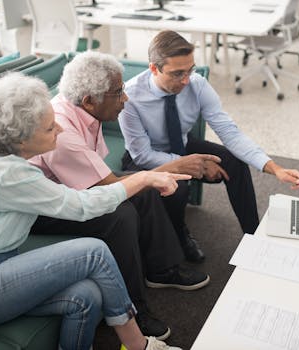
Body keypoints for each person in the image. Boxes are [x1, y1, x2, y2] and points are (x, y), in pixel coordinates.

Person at [0, 72, 184, 350]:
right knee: (93, 251)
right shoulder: (7, 173)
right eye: (51, 128)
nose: (60, 130)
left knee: (86, 296)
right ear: (21, 139)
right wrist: (144, 178)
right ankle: (138, 345)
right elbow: (83, 207)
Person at [29, 51, 213, 340]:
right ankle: (133, 311)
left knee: (143, 187)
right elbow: (107, 186)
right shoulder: (64, 130)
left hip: (68, 188)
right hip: (40, 210)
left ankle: (161, 270)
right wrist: (166, 169)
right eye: (118, 93)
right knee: (120, 214)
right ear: (90, 99)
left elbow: (101, 177)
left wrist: (149, 178)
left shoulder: (86, 112)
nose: (125, 99)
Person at [119, 30, 299, 254]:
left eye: (190, 70)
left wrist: (274, 168)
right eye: (177, 73)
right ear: (154, 68)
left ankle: (254, 237)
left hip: (181, 144)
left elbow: (230, 132)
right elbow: (142, 154)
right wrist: (192, 164)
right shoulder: (130, 96)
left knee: (235, 162)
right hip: (146, 157)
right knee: (175, 187)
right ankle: (180, 235)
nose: (186, 80)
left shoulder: (196, 84)